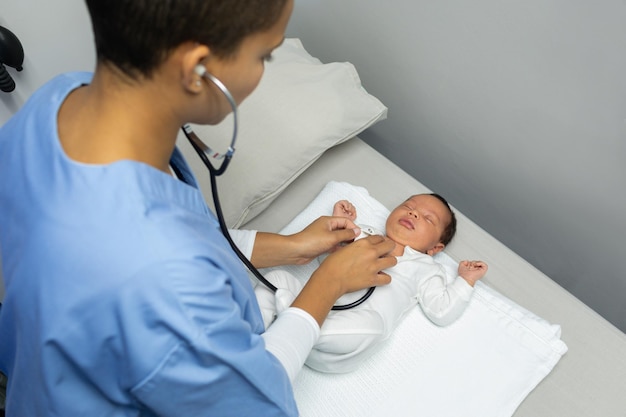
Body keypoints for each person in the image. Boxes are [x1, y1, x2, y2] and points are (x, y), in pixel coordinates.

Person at [0, 1, 398, 416]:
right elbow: (257, 406)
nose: (264, 71)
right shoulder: (166, 288)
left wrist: (290, 246)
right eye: (264, 55)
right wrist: (326, 285)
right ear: (197, 70)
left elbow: (178, 235)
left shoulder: (61, 99)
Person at [255, 194, 488, 373]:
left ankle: (291, 318)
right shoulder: (364, 233)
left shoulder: (426, 268)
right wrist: (341, 225)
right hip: (313, 304)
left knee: (373, 324)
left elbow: (441, 310)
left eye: (428, 219)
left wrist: (465, 281)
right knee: (276, 279)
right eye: (409, 206)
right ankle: (251, 331)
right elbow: (325, 258)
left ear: (435, 248)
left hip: (338, 346)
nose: (414, 214)